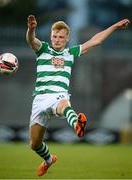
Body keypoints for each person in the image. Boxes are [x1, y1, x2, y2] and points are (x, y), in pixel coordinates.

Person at [26, 15, 130, 176]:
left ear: (67, 38)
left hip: (58, 95)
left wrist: (114, 26)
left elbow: (95, 41)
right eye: (55, 36)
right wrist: (31, 29)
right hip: (39, 99)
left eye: (61, 37)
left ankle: (77, 124)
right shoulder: (43, 49)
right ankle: (48, 160)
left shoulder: (70, 53)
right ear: (51, 36)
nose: (57, 40)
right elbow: (32, 41)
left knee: (63, 105)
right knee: (34, 144)